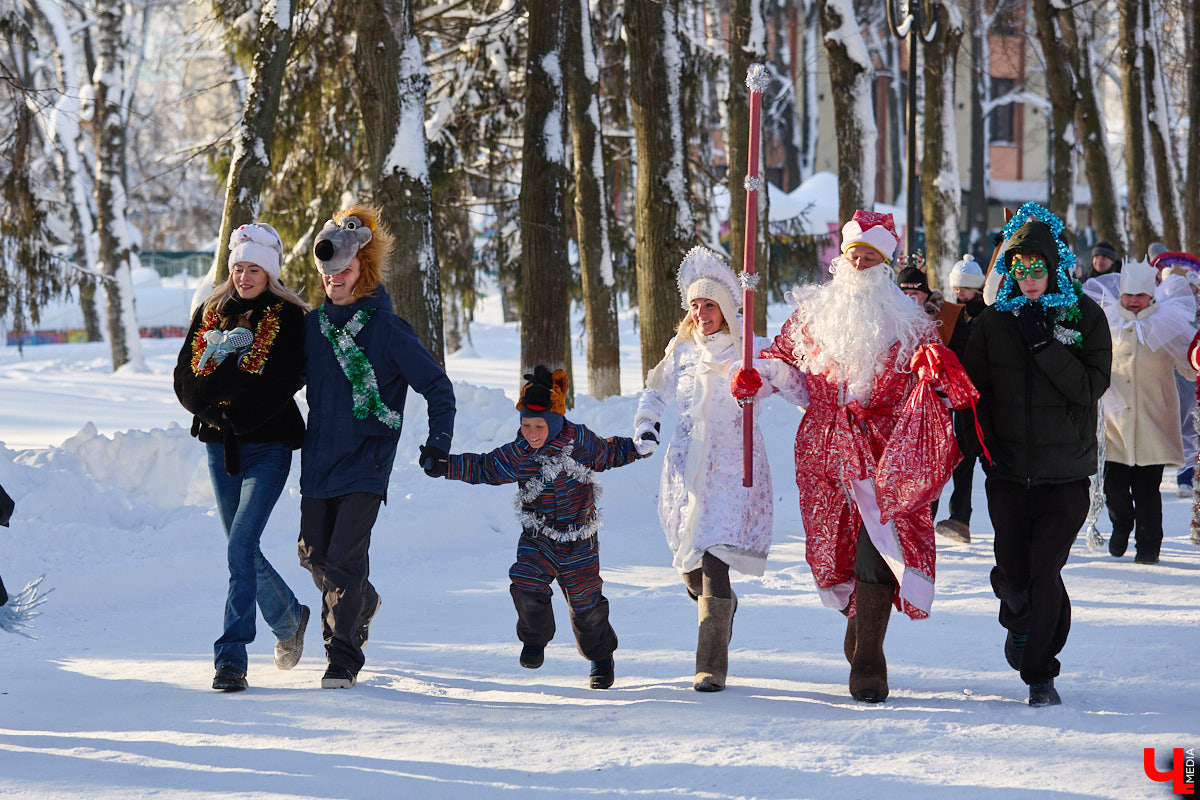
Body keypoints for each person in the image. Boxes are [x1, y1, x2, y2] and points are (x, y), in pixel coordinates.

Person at [747, 210, 974, 703]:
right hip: (823, 454)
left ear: (886, 264)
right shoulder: (812, 317)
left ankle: (870, 657)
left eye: (872, 257)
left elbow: (931, 379)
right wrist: (759, 378)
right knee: (833, 553)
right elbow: (783, 367)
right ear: (842, 259)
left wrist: (937, 371)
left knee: (880, 545)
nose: (862, 262)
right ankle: (857, 618)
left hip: (882, 454)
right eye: (855, 254)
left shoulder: (911, 322)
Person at [635, 246, 807, 692]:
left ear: (726, 308)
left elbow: (801, 389)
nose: (700, 312)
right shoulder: (682, 350)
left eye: (708, 304)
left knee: (715, 565)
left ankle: (710, 664)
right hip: (685, 472)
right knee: (689, 565)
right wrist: (646, 425)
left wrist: (770, 376)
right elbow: (654, 394)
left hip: (733, 472)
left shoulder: (751, 349)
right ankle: (722, 607)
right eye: (694, 305)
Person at [299, 204, 456, 689]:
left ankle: (342, 655)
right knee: (313, 554)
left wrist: (438, 442)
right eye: (328, 273)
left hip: (366, 462)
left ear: (361, 270)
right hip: (318, 462)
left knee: (345, 560)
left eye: (344, 271)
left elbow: (437, 387)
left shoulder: (388, 330)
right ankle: (362, 602)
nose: (334, 280)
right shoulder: (313, 328)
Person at [961, 202, 1111, 707]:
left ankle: (1040, 673)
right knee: (1016, 573)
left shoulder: (1084, 316)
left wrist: (1046, 346)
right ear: (1009, 270)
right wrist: (983, 449)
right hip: (1008, 472)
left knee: (1045, 568)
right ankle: (1016, 609)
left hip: (1065, 472)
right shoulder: (992, 324)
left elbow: (1092, 386)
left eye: (1037, 269)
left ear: (1053, 267)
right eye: (1018, 268)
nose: (1028, 278)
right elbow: (971, 394)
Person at [428, 366, 648, 690]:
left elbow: (609, 452)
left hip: (579, 540)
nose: (532, 433)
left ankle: (601, 658)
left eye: (539, 426)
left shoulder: (581, 442)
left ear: (555, 422)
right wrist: (445, 465)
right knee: (526, 580)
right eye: (526, 425)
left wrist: (638, 447)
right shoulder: (520, 453)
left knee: (587, 606)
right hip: (538, 537)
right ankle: (535, 639)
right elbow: (485, 467)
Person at [173, 222, 311, 692]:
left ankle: (231, 658)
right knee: (241, 546)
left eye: (254, 268)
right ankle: (291, 616)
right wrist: (213, 407)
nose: (244, 277)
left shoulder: (288, 317)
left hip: (268, 445)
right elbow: (186, 379)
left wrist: (229, 405)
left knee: (239, 543)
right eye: (238, 268)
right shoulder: (210, 311)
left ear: (269, 272)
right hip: (219, 446)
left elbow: (280, 381)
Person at [1084, 258, 1196, 564]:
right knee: (1115, 487)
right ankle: (1122, 525)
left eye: (1141, 295)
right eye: (1128, 295)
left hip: (1154, 421)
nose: (1134, 301)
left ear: (1151, 296)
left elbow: (1189, 366)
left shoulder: (1167, 323)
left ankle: (1149, 547)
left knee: (1148, 490)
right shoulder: (1106, 321)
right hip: (1115, 423)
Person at [935, 254, 989, 544]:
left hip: (978, 393)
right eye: (956, 289)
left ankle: (962, 516)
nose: (960, 293)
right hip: (954, 391)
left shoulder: (986, 313)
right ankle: (959, 516)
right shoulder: (949, 312)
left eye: (965, 289)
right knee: (959, 455)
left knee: (972, 454)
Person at [896, 257, 968, 352]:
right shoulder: (890, 317)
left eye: (915, 293)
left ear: (926, 294)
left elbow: (963, 352)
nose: (909, 298)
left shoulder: (949, 314)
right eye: (904, 294)